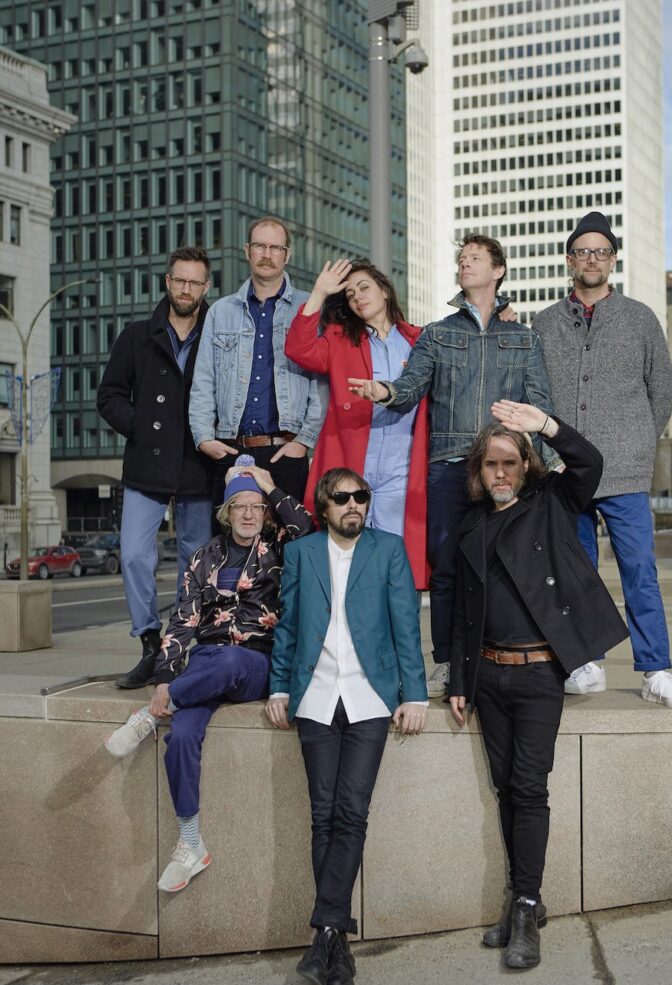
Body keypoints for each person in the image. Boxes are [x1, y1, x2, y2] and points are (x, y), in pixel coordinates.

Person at [449, 401, 628, 969]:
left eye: (509, 462)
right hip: (487, 674)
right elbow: (461, 608)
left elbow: (590, 464)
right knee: (506, 788)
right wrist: (458, 677)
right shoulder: (472, 523)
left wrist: (546, 426)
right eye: (490, 464)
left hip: (537, 674)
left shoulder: (550, 502)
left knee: (528, 788)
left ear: (526, 465)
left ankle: (525, 905)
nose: (499, 473)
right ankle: (523, 897)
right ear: (478, 472)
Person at [348, 233, 554, 695]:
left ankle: (501, 655)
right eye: (461, 258)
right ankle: (444, 661)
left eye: (475, 258)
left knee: (505, 568)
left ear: (498, 270)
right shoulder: (438, 333)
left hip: (503, 468)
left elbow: (539, 404)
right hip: (448, 466)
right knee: (445, 570)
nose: (465, 264)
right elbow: (411, 387)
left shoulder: (524, 338)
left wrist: (545, 462)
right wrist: (384, 391)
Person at [104, 459, 312, 893]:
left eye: (256, 506)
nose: (249, 514)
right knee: (181, 736)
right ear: (226, 512)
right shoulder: (203, 557)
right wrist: (165, 678)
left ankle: (149, 717)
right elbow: (183, 620)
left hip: (255, 662)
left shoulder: (280, 548)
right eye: (240, 506)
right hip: (204, 665)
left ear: (265, 512)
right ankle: (191, 842)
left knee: (230, 661)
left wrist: (270, 486)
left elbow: (306, 526)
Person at [266, 467, 428, 985]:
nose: (354, 504)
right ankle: (335, 944)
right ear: (324, 506)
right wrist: (279, 687)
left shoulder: (388, 550)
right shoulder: (301, 553)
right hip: (314, 697)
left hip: (369, 697)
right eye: (342, 498)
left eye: (361, 496)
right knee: (323, 815)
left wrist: (414, 694)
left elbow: (406, 624)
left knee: (351, 812)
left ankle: (326, 934)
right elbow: (289, 625)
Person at [532, 211, 672, 711]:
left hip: (624, 469)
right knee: (574, 572)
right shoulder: (545, 323)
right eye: (583, 252)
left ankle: (656, 670)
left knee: (640, 570)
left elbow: (662, 391)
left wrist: (640, 443)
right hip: (566, 471)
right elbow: (535, 395)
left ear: (613, 259)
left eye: (600, 251)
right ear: (570, 260)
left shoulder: (640, 318)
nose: (592, 259)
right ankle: (585, 662)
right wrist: (549, 454)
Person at [97, 246, 215, 689]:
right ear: (168, 281)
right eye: (179, 280)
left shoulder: (217, 333)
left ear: (206, 287)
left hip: (198, 464)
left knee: (194, 561)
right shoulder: (136, 335)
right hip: (146, 463)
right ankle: (149, 642)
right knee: (132, 554)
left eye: (195, 282)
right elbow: (109, 396)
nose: (186, 289)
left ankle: (178, 645)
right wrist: (143, 428)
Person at [284, 257, 429, 587]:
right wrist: (319, 293)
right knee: (345, 564)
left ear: (385, 291)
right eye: (350, 294)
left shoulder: (419, 339)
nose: (357, 297)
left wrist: (501, 315)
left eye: (364, 288)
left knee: (396, 564)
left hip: (401, 469)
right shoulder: (339, 338)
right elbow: (298, 348)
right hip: (352, 465)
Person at [188, 215, 327, 517]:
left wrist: (304, 441)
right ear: (247, 250)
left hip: (286, 452)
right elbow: (204, 381)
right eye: (260, 246)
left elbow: (321, 384)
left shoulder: (309, 308)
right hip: (230, 449)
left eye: (276, 248)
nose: (267, 254)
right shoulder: (220, 312)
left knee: (291, 539)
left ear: (287, 255)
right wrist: (204, 438)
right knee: (229, 541)